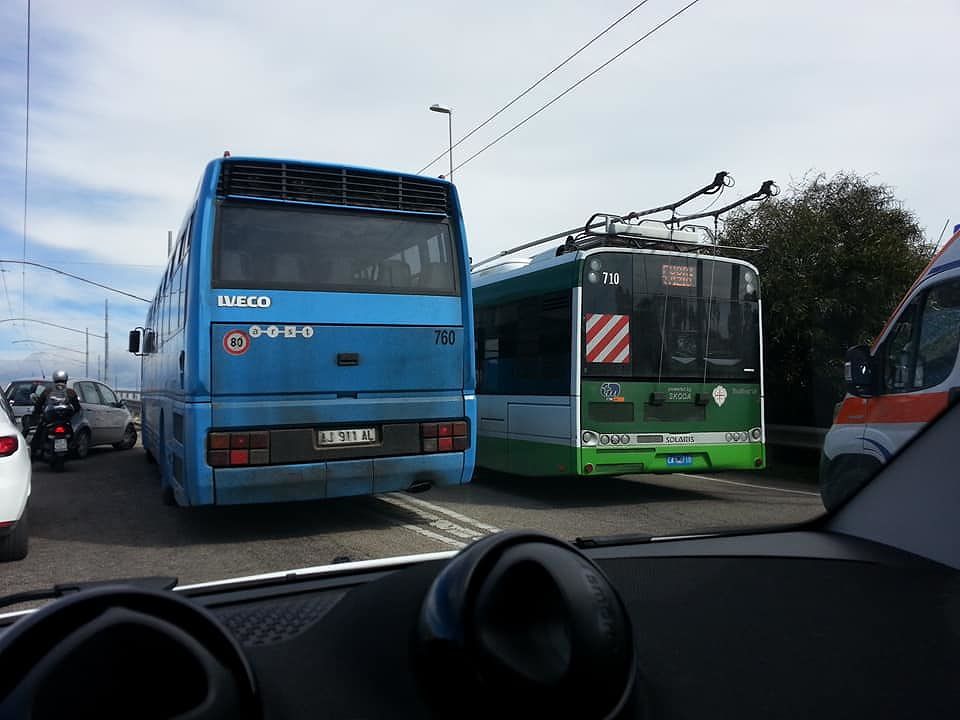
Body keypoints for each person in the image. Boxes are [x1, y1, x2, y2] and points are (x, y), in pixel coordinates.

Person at [30, 371, 81, 455]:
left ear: (54, 379)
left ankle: (33, 452)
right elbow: (77, 407)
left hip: (50, 419)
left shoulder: (47, 391)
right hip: (65, 419)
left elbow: (39, 404)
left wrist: (36, 413)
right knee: (71, 430)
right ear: (66, 379)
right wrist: (72, 413)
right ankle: (73, 445)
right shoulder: (70, 392)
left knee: (39, 432)